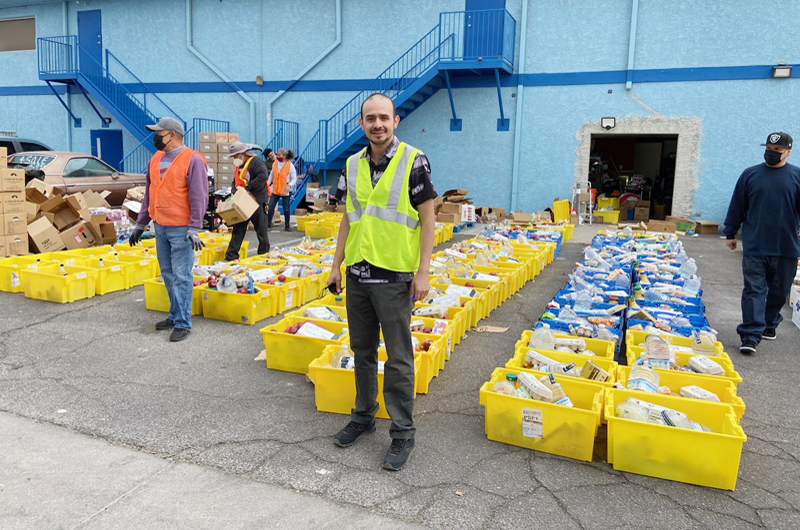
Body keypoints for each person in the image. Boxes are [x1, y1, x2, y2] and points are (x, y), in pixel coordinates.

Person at [327, 93, 436, 471]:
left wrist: (423, 271)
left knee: (399, 357)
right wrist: (335, 264)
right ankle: (363, 415)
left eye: (384, 118)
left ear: (396, 120)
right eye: (370, 118)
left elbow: (428, 218)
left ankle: (403, 432)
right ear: (362, 123)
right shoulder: (352, 163)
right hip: (357, 272)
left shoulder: (413, 159)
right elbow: (348, 218)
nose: (378, 124)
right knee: (362, 350)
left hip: (393, 275)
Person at [130, 117, 208, 341]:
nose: (155, 137)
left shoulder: (192, 160)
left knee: (182, 275)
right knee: (167, 274)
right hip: (160, 226)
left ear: (172, 135)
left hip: (181, 229)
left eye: (159, 133)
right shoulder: (155, 159)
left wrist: (194, 227)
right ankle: (174, 315)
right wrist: (140, 223)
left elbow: (199, 195)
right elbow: (150, 193)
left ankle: (183, 323)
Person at [723, 132, 800, 355]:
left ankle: (769, 322)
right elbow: (737, 204)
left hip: (785, 247)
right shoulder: (750, 175)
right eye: (768, 148)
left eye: (777, 150)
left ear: (788, 152)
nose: (771, 153)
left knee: (779, 292)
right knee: (754, 291)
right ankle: (750, 335)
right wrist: (730, 232)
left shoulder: (796, 177)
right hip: (756, 245)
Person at [224, 142, 270, 260]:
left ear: (241, 154)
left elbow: (263, 175)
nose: (234, 158)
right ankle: (231, 256)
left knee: (261, 230)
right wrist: (234, 190)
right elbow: (236, 180)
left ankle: (263, 255)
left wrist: (248, 187)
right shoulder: (239, 165)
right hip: (243, 201)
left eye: (234, 156)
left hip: (257, 200)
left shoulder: (256, 161)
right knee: (238, 230)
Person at [267, 148, 297, 231]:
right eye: (277, 154)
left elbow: (294, 179)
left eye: (279, 155)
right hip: (275, 189)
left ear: (284, 156)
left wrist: (289, 185)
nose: (277, 156)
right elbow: (271, 175)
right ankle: (268, 224)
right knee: (270, 207)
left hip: (285, 190)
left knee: (286, 208)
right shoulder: (275, 163)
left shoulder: (290, 165)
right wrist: (267, 184)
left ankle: (287, 225)